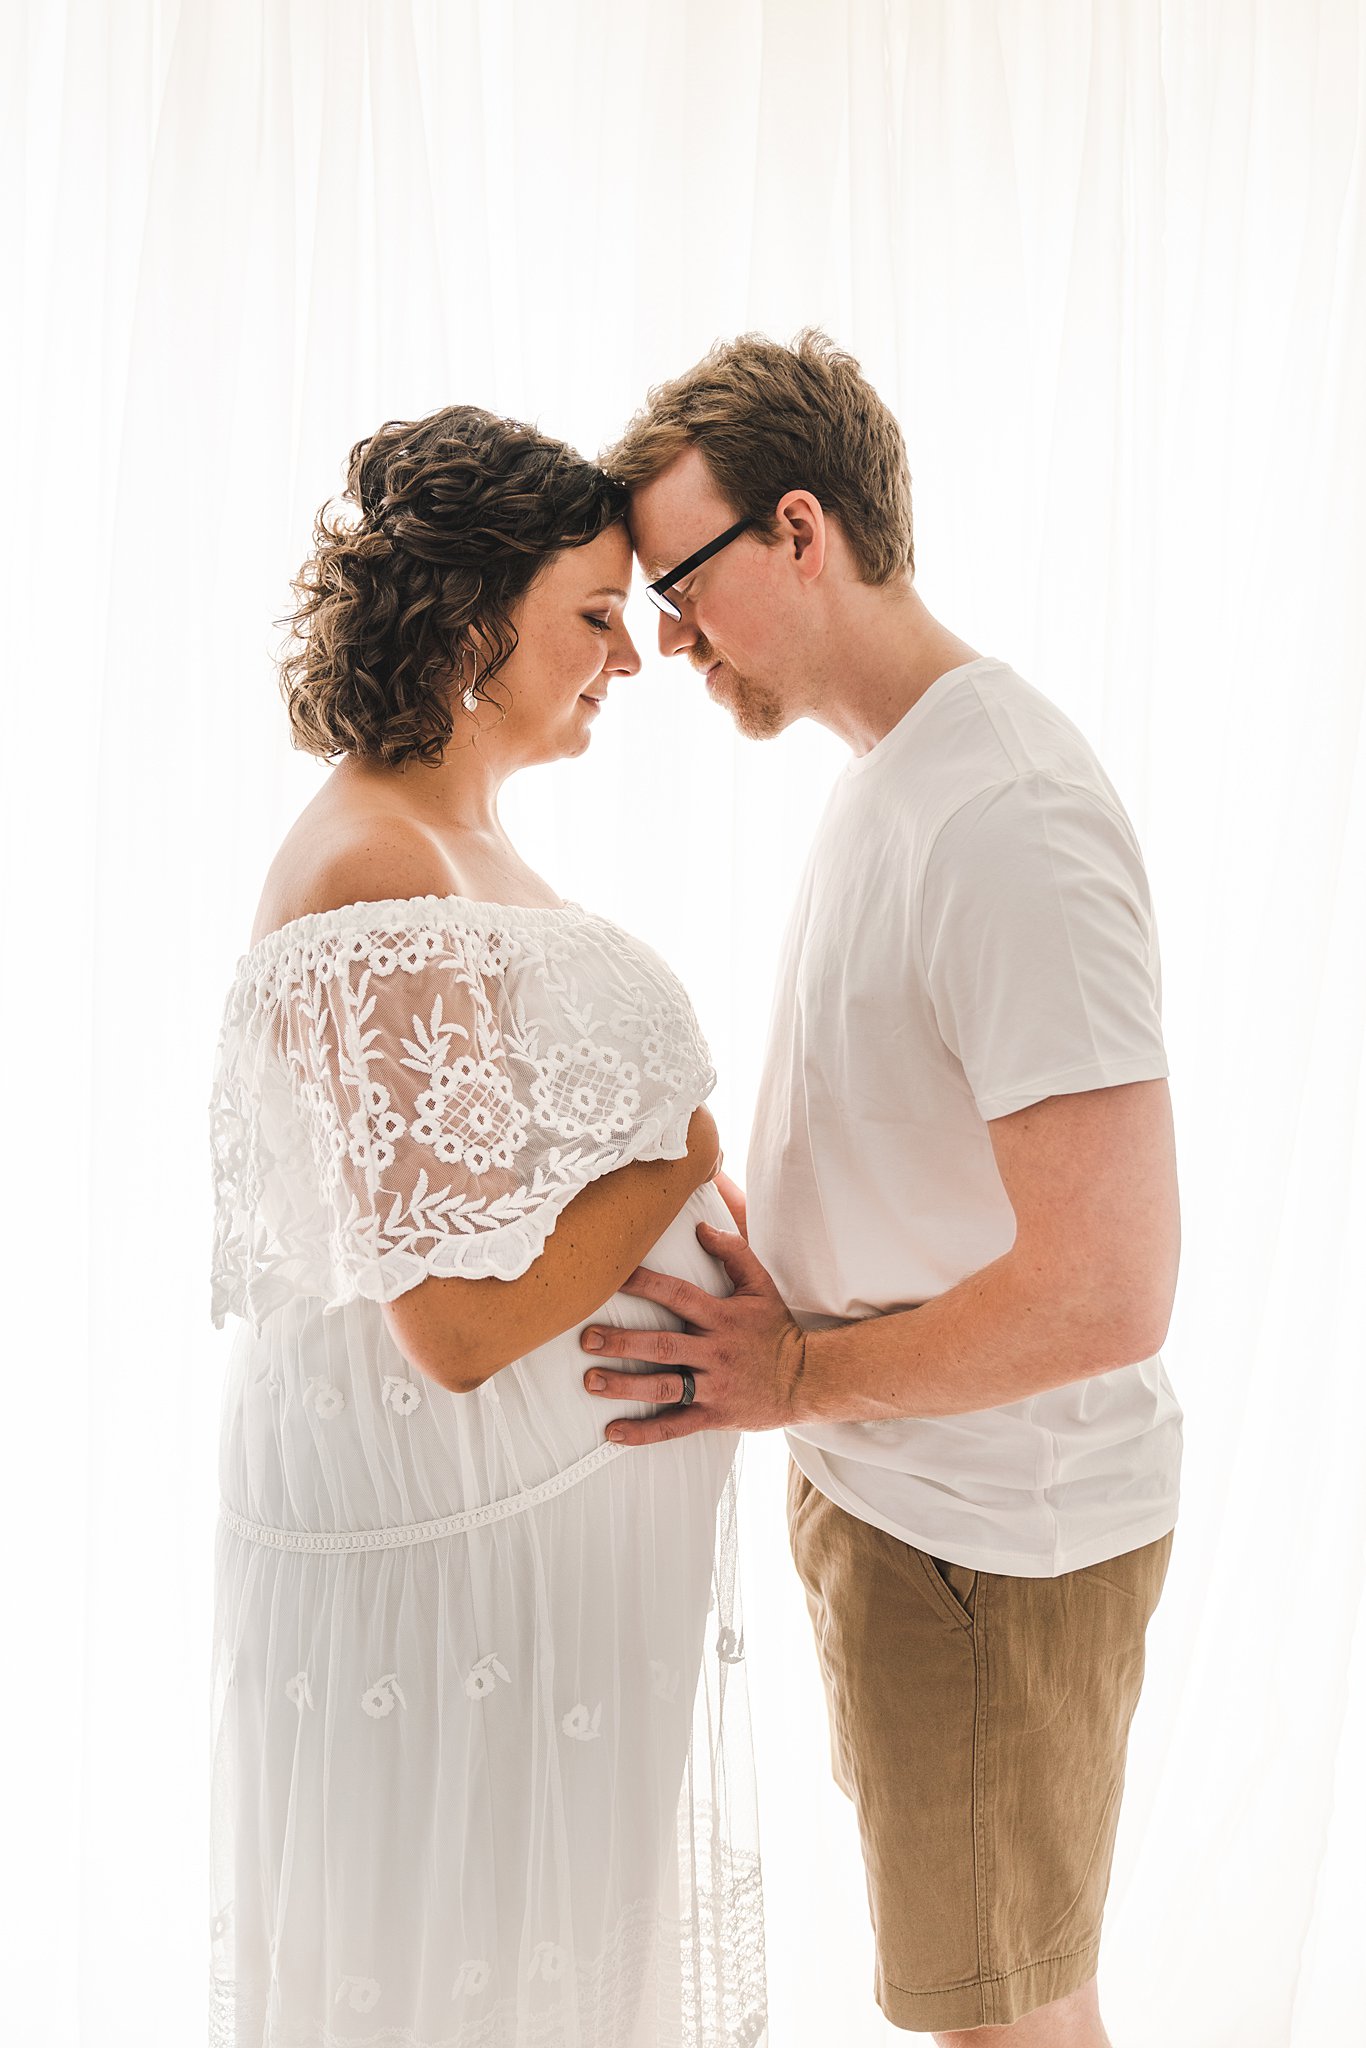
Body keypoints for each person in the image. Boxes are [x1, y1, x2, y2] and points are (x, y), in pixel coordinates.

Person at [586, 329, 1182, 2046]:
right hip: (912, 1507)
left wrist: (795, 1378)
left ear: (798, 529)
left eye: (683, 584)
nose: (668, 639)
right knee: (994, 1997)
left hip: (986, 1533)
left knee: (998, 2020)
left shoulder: (1002, 811)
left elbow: (1107, 1286)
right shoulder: (899, 775)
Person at [205, 403, 767, 2047]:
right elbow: (449, 1328)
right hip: (454, 1573)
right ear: (469, 624)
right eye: (593, 617)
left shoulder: (455, 840)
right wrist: (680, 1164)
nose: (632, 657)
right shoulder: (379, 861)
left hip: (528, 1564)